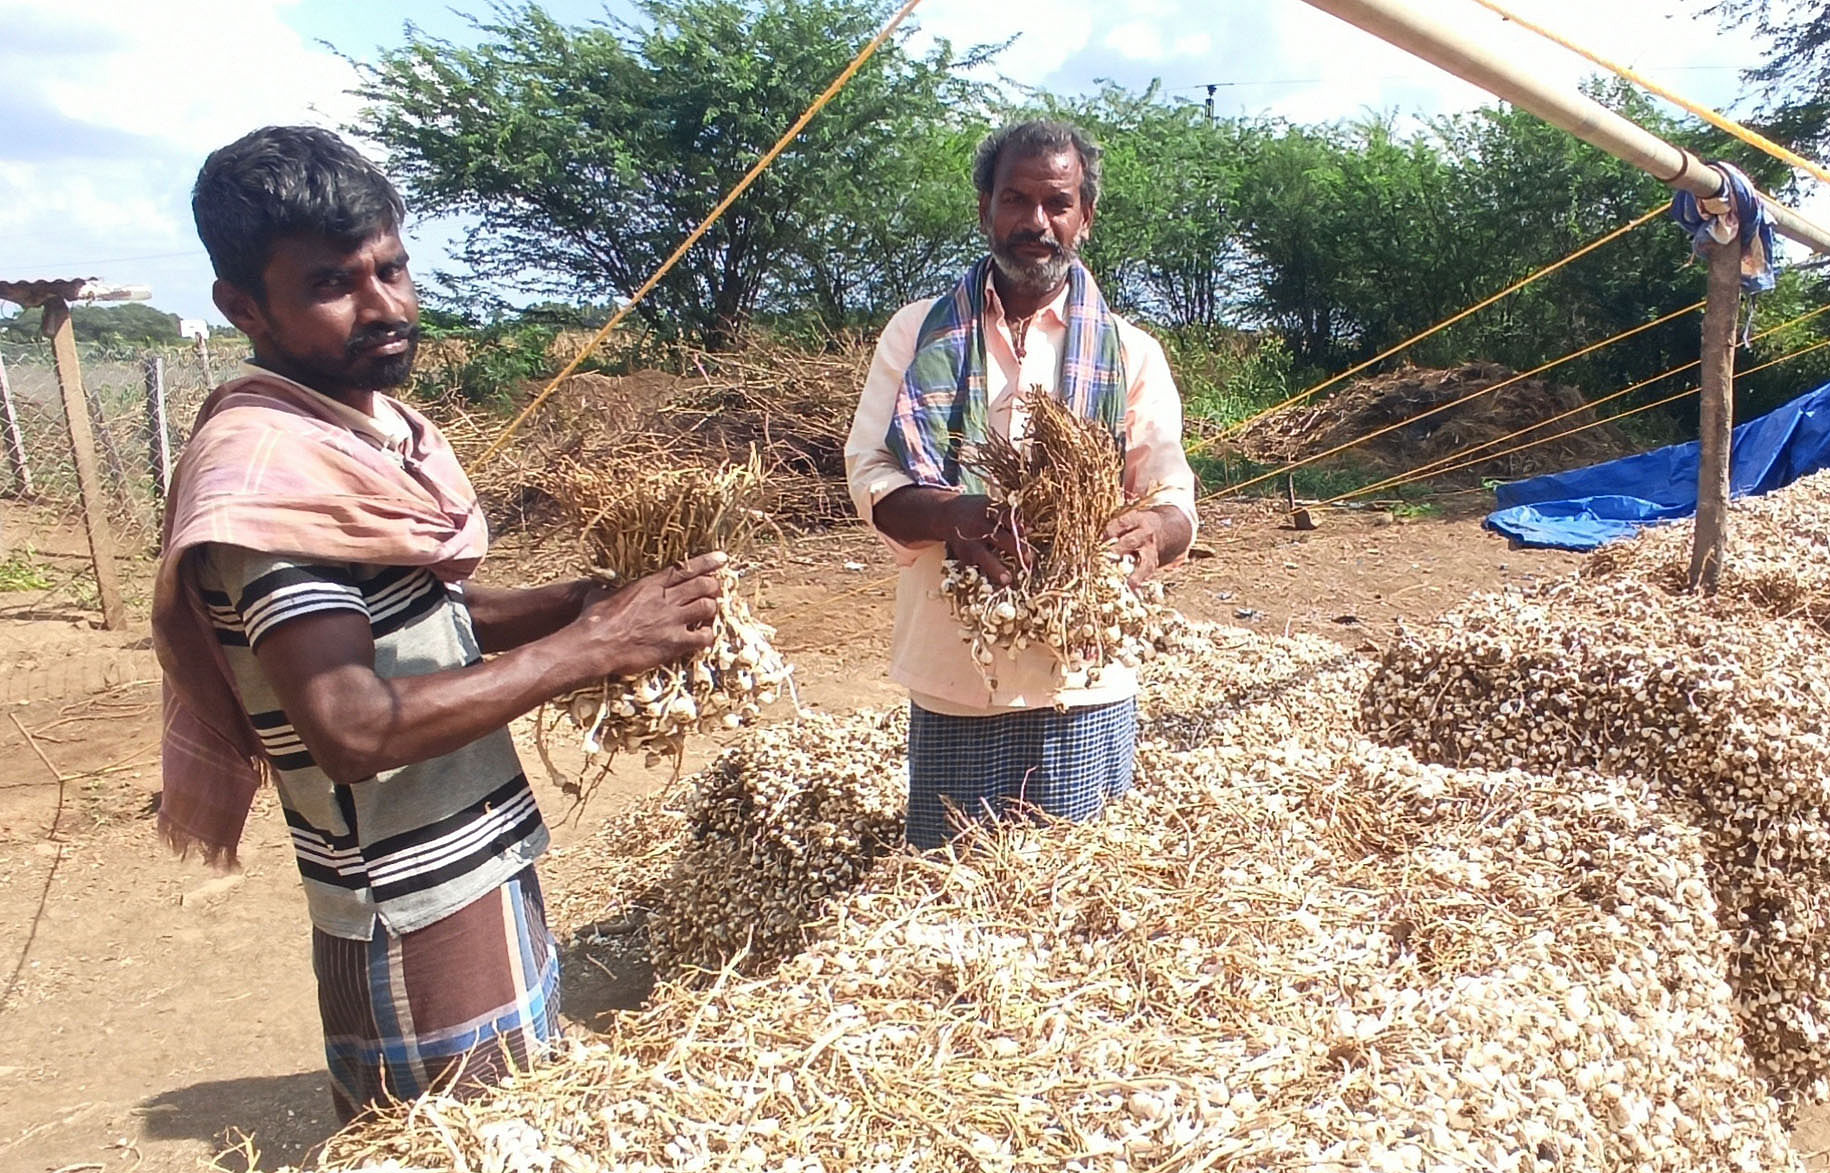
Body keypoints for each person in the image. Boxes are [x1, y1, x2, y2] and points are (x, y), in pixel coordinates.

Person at [152, 125, 724, 1122]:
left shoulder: (351, 431)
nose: (384, 306)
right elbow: (355, 725)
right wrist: (594, 646)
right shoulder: (270, 475)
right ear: (242, 306)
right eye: (334, 283)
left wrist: (575, 603)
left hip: (469, 860)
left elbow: (414, 620)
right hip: (413, 908)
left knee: (521, 1147)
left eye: (391, 268)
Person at [844, 120, 1197, 849]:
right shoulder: (918, 334)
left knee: (1078, 891)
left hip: (1084, 672)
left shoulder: (1130, 351)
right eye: (1015, 199)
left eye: (1057, 203)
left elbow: (1172, 495)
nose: (1035, 222)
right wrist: (955, 515)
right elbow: (871, 473)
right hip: (958, 666)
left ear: (1085, 219)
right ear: (985, 211)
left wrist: (1154, 531)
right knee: (954, 889)